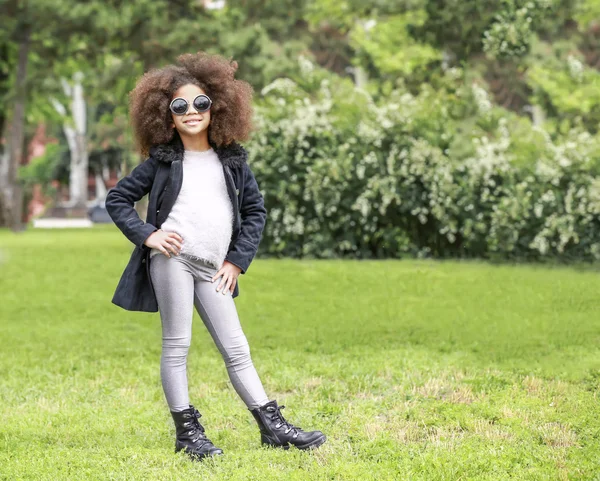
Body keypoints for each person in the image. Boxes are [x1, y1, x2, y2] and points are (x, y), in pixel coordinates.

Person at [105, 51, 326, 462]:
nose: (192, 111)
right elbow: (117, 199)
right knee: (177, 345)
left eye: (201, 103)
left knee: (237, 347)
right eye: (180, 106)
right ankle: (187, 433)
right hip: (173, 260)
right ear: (166, 116)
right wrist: (149, 236)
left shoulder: (233, 161)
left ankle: (271, 426)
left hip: (214, 268)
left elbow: (255, 211)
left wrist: (236, 261)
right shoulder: (161, 161)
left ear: (218, 108)